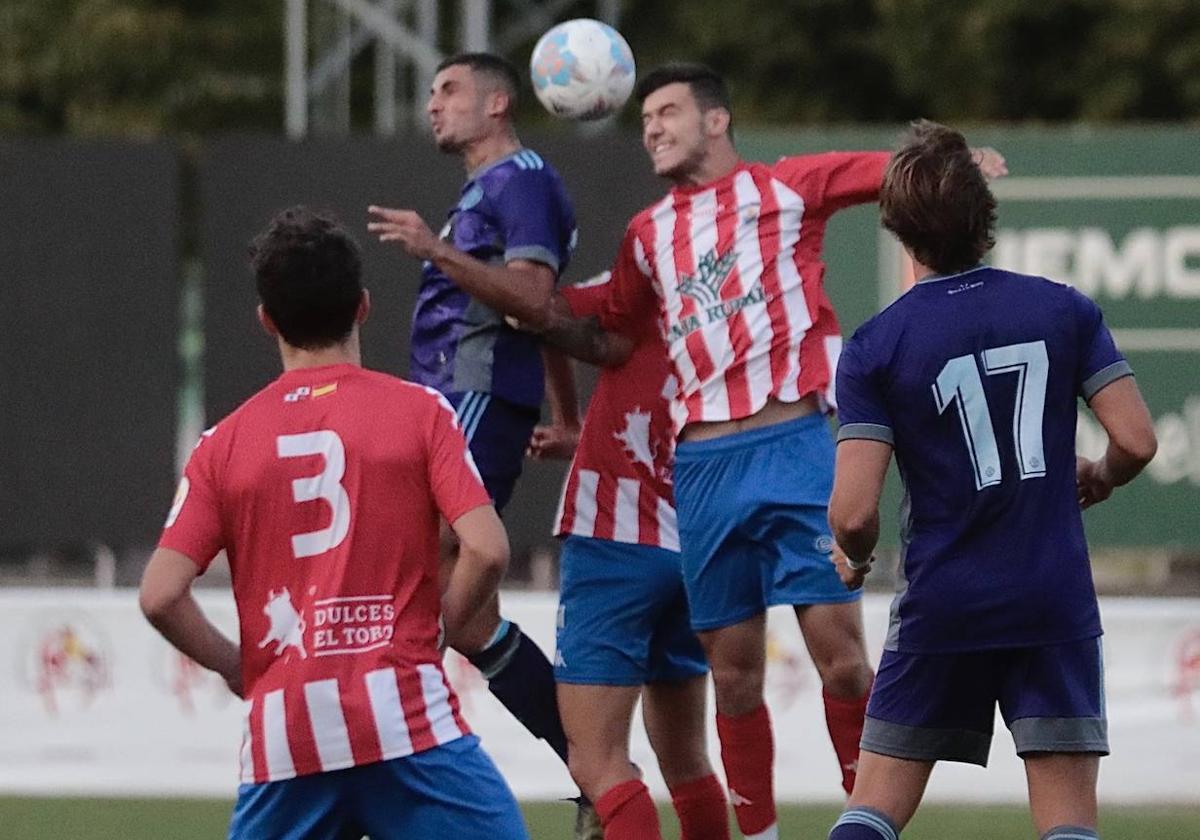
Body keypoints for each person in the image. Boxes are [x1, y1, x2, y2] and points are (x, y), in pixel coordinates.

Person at [372, 63, 1007, 839]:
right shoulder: (648, 235)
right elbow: (608, 331)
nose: (652, 128)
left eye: (667, 112)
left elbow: (894, 174)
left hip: (792, 445)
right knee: (734, 674)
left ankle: (867, 822)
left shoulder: (788, 188)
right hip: (701, 472)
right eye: (644, 120)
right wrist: (535, 321)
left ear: (716, 121)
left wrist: (959, 164)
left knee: (840, 656)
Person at [139, 207, 528, 839]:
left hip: (286, 736)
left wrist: (236, 666)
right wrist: (438, 630)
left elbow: (159, 595)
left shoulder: (222, 444)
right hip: (404, 719)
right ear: (364, 307)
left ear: (267, 321)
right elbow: (486, 549)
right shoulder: (421, 413)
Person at [826, 121, 1157, 840]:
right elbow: (1136, 439)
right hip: (1052, 600)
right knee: (1067, 823)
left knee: (873, 809)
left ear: (898, 229)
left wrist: (852, 562)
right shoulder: (1063, 308)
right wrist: (1101, 475)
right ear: (987, 220)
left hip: (943, 603)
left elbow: (854, 515)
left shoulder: (876, 347)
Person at [367, 51, 579, 796]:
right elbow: (549, 316)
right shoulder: (491, 190)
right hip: (455, 400)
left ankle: (399, 763)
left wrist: (435, 249)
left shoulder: (521, 180)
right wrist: (567, 414)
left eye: (449, 89)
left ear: (498, 103)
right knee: (467, 623)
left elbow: (532, 299)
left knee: (402, 574)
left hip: (475, 397)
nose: (433, 104)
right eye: (430, 92)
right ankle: (595, 765)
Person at [531, 273, 729, 840]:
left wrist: (568, 417)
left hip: (614, 541)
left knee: (597, 762)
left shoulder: (641, 280)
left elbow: (540, 311)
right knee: (688, 762)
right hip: (692, 549)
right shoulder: (730, 320)